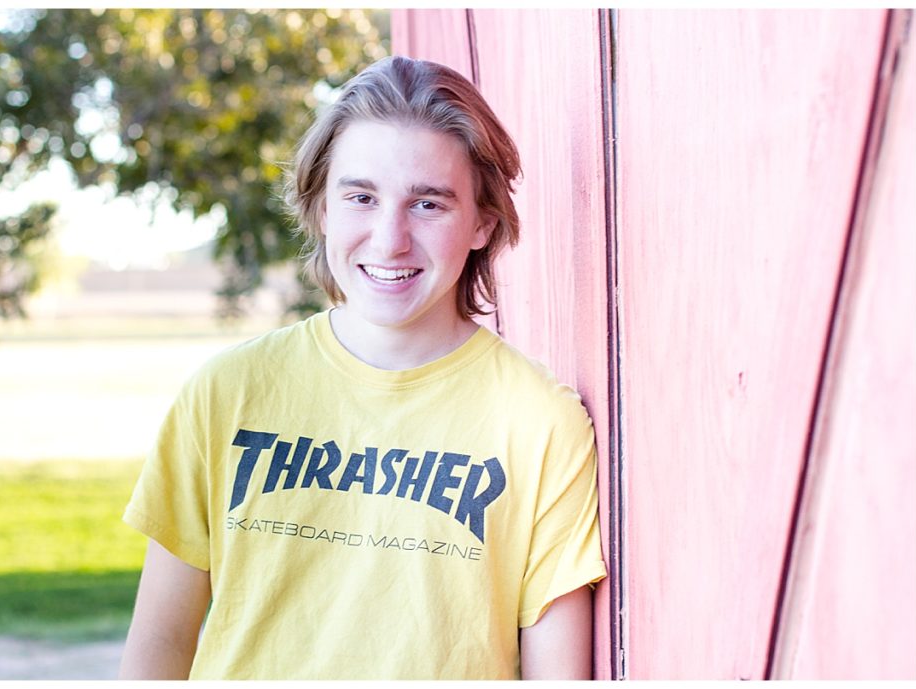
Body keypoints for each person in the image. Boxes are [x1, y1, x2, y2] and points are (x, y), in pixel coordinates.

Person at [118, 55, 607, 680]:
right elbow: (158, 644)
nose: (389, 239)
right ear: (323, 208)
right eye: (361, 197)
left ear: (484, 222)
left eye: (427, 204)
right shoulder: (227, 393)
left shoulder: (541, 423)